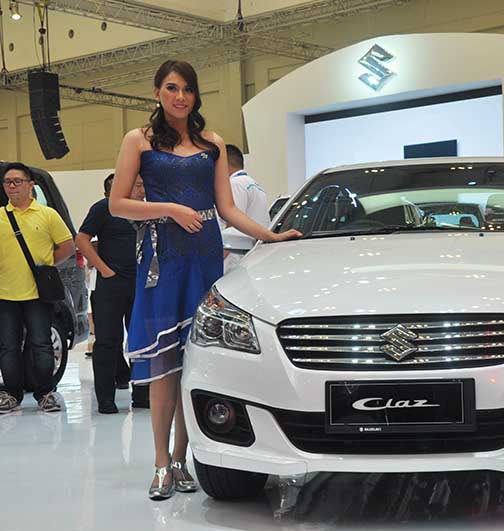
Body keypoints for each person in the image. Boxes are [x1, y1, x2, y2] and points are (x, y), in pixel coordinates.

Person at [109, 60, 301, 500]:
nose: (180, 97)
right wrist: (170, 209)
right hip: (163, 260)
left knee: (194, 362)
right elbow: (118, 203)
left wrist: (271, 235)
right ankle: (160, 463)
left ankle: (182, 460)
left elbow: (227, 208)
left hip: (204, 255)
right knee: (164, 366)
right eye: (172, 88)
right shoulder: (138, 139)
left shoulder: (212, 143)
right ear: (157, 92)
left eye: (188, 89)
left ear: (196, 96)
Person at [0, 162, 75, 414]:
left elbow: (68, 246)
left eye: (17, 181)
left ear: (30, 185)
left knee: (42, 344)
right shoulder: (0, 216)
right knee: (8, 347)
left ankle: (45, 394)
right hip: (5, 294)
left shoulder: (47, 215)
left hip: (38, 294)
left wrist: (46, 267)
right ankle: (12, 395)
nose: (12, 186)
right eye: (7, 182)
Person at [75, 174, 145, 414]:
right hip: (111, 283)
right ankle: (106, 398)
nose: (142, 190)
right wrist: (104, 269)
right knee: (107, 341)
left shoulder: (147, 209)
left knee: (141, 339)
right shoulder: (104, 208)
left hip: (140, 283)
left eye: (143, 185)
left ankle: (142, 394)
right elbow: (82, 239)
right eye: (138, 185)